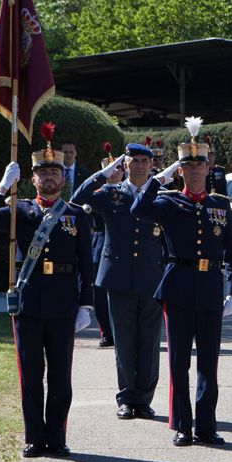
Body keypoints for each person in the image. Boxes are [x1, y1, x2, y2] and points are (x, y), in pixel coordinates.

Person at [0, 124, 94, 458]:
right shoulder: (21, 211)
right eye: (43, 173)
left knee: (60, 376)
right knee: (30, 376)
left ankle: (56, 437)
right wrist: (0, 187)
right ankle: (34, 437)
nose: (49, 178)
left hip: (63, 304)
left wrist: (86, 305)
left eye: (54, 172)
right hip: (28, 304)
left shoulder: (76, 216)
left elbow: (87, 264)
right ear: (33, 178)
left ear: (63, 177)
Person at [131, 118, 232, 447]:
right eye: (188, 167)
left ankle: (206, 426)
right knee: (179, 362)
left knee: (209, 361)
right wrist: (158, 177)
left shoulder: (220, 206)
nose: (195, 172)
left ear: (209, 169)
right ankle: (183, 424)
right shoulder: (168, 201)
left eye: (200, 166)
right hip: (178, 286)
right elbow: (138, 209)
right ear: (181, 171)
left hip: (210, 287)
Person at [72, 141, 167, 421]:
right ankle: (126, 398)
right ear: (124, 165)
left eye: (143, 161)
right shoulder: (111, 193)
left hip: (152, 277)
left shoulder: (160, 195)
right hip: (119, 277)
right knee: (124, 342)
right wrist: (103, 174)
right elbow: (77, 199)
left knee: (149, 343)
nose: (138, 165)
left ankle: (144, 399)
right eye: (133, 160)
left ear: (152, 165)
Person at [87, 145, 122, 348]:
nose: (115, 173)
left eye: (118, 169)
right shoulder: (98, 194)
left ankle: (120, 331)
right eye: (111, 170)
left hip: (120, 245)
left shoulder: (128, 191)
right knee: (99, 294)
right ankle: (106, 332)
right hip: (99, 245)